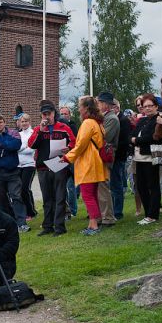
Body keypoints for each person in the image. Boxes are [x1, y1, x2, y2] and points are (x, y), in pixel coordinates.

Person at [28, 100, 75, 237]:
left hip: (59, 164)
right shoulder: (38, 129)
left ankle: (60, 227)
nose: (46, 117)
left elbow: (74, 141)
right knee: (47, 198)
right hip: (43, 167)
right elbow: (31, 145)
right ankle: (48, 226)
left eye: (48, 114)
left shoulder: (63, 127)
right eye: (44, 114)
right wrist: (41, 131)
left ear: (54, 113)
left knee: (60, 197)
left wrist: (69, 148)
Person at [64, 96, 109, 235]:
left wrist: (67, 157)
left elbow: (81, 145)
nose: (78, 109)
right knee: (92, 195)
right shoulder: (97, 122)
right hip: (96, 162)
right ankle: (92, 223)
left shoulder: (87, 123)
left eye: (80, 106)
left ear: (86, 108)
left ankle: (94, 225)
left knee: (88, 195)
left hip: (88, 163)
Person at [0, 113, 29, 232]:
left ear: (5, 123)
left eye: (0, 122)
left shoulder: (14, 133)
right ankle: (8, 222)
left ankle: (22, 223)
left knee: (16, 196)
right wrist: (7, 146)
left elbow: (17, 145)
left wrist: (1, 145)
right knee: (0, 198)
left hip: (12, 171)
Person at [130, 94, 162, 225]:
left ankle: (153, 214)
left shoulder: (158, 120)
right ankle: (147, 212)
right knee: (141, 186)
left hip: (151, 157)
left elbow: (152, 137)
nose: (147, 109)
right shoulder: (142, 121)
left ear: (156, 106)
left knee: (152, 185)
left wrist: (136, 140)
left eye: (150, 106)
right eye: (145, 106)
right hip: (139, 157)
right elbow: (131, 135)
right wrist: (134, 140)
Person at [96, 92, 119, 226]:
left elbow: (104, 138)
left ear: (105, 104)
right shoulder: (106, 117)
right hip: (101, 155)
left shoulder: (112, 119)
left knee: (103, 186)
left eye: (99, 103)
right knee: (100, 186)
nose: (97, 105)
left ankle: (108, 217)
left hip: (105, 155)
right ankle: (103, 215)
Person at [16, 113, 37, 220]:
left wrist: (21, 149)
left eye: (26, 121)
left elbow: (32, 149)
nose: (24, 123)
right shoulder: (18, 134)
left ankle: (31, 212)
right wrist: (24, 147)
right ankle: (25, 211)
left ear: (29, 122)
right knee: (20, 190)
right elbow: (15, 148)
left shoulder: (33, 133)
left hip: (30, 165)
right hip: (19, 165)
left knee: (25, 188)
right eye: (22, 121)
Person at [113, 99, 131, 220]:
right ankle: (114, 209)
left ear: (117, 108)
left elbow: (124, 140)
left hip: (118, 157)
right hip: (114, 156)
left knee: (117, 184)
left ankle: (118, 211)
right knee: (113, 184)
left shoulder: (123, 120)